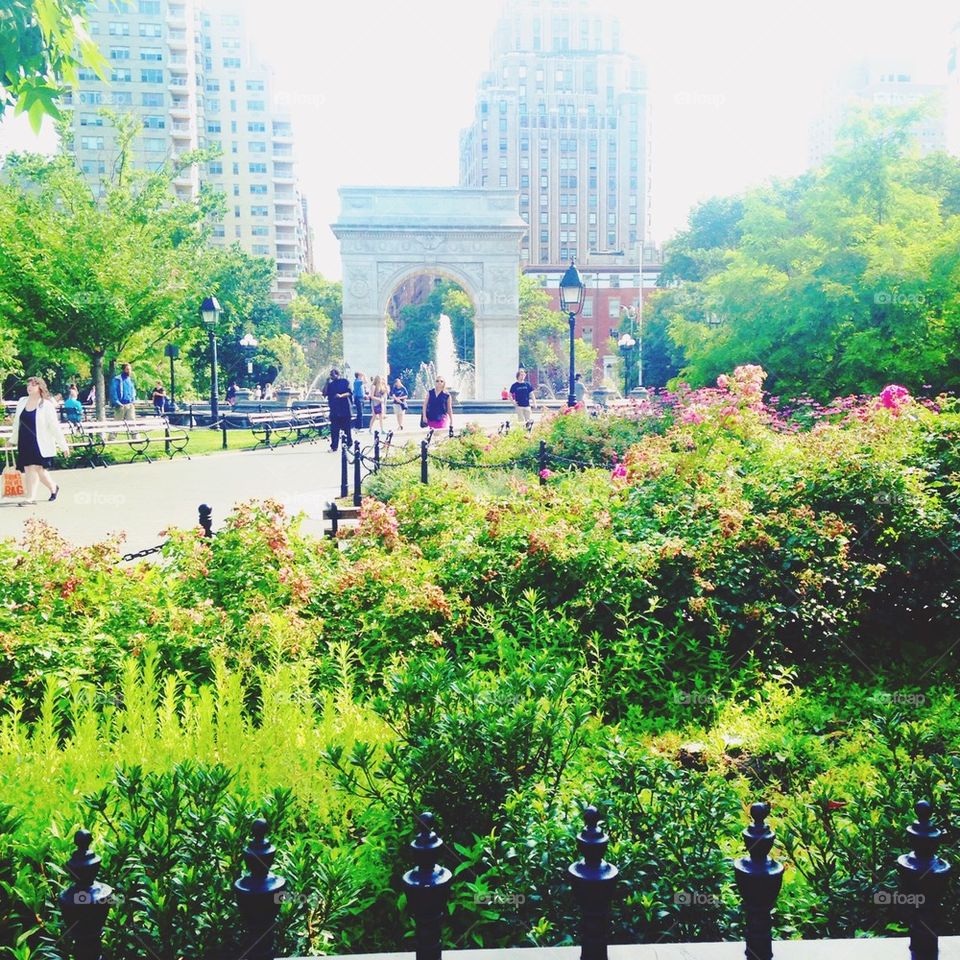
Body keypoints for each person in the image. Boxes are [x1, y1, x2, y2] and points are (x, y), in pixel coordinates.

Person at [10, 377, 69, 502]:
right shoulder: (22, 401)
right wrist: (12, 439)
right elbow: (17, 423)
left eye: (33, 385)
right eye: (28, 385)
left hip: (40, 442)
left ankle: (53, 487)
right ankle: (30, 497)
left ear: (40, 388)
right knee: (28, 468)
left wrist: (63, 446)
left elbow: (54, 427)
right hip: (25, 440)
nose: (29, 387)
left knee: (39, 470)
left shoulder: (46, 405)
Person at [322, 368, 353, 451]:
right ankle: (334, 446)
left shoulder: (345, 382)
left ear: (338, 374)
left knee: (347, 429)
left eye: (333, 375)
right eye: (330, 375)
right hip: (334, 410)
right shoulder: (330, 384)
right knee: (334, 430)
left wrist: (341, 395)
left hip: (345, 409)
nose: (331, 377)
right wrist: (326, 383)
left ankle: (348, 444)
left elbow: (349, 393)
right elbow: (324, 393)